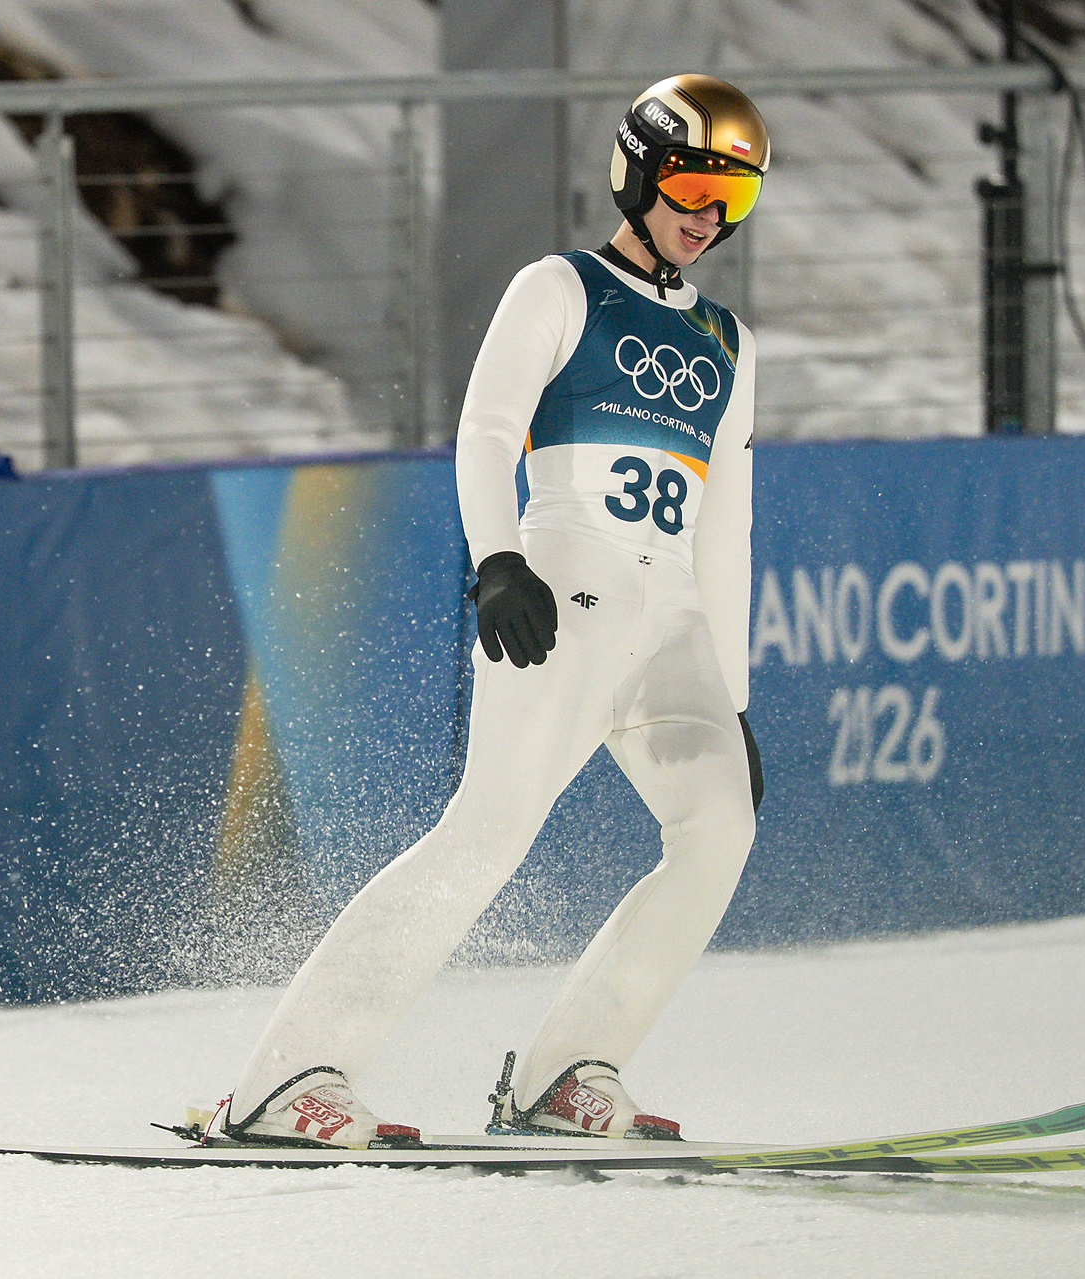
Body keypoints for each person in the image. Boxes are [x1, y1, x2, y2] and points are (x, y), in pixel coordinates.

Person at [216, 74, 770, 1149]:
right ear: (640, 170)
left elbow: (726, 527)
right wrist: (499, 560)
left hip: (671, 627)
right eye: (696, 184)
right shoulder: (558, 288)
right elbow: (484, 431)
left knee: (718, 829)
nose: (708, 217)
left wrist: (735, 699)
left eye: (732, 200)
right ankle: (283, 1082)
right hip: (562, 597)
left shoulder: (728, 343)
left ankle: (569, 1072)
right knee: (483, 839)